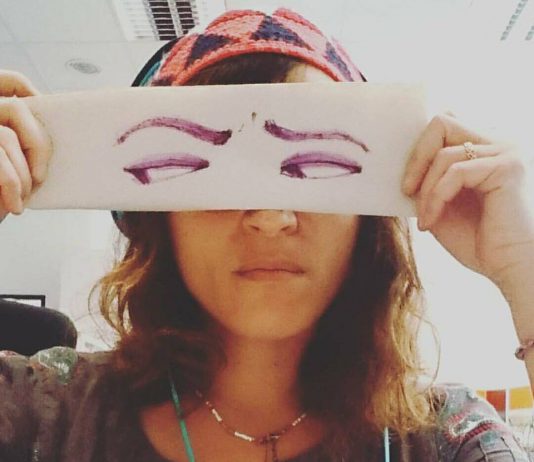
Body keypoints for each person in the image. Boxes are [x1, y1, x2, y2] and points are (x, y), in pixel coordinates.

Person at [0, 7, 533, 462]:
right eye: (213, 177)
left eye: (319, 165)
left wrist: (522, 266)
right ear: (161, 218)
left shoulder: (446, 439)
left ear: (367, 220)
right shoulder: (45, 414)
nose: (271, 216)